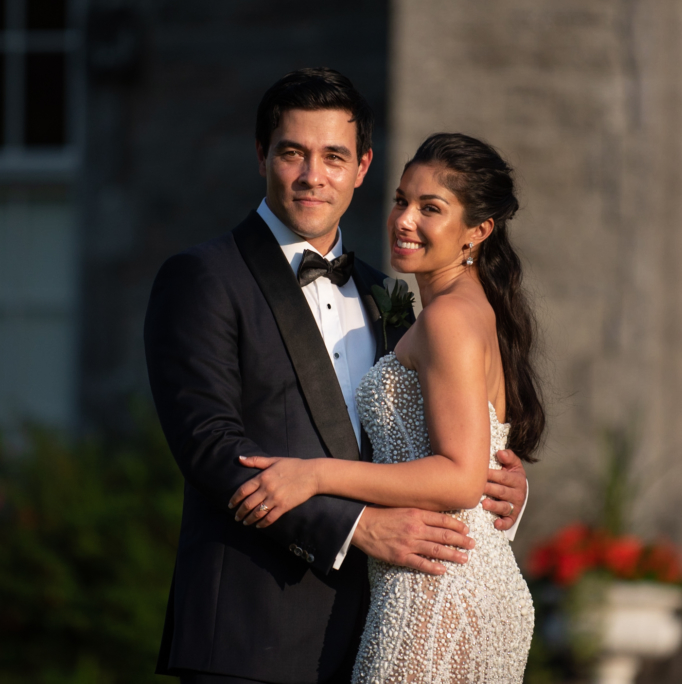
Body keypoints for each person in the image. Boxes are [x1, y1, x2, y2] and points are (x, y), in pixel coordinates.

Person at [144, 69, 530, 684]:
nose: (311, 176)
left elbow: (434, 443)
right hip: (254, 629)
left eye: (333, 156)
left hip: (386, 617)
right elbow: (210, 448)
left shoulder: (388, 293)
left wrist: (499, 485)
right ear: (261, 155)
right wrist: (357, 526)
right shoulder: (202, 278)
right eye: (292, 152)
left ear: (362, 165)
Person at [230, 132, 543, 682]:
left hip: (437, 589)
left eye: (431, 208)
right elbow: (481, 455)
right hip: (468, 578)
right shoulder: (463, 309)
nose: (404, 220)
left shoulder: (448, 319)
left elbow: (460, 479)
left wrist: (312, 474)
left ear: (479, 231)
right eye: (402, 199)